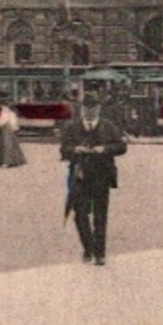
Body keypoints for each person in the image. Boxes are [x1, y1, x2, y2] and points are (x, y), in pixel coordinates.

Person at [59, 96, 128, 266]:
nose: (90, 112)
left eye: (94, 109)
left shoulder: (109, 126)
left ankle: (99, 253)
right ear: (82, 109)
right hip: (79, 175)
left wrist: (104, 149)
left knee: (100, 215)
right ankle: (88, 248)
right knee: (80, 215)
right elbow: (63, 149)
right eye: (87, 109)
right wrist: (75, 149)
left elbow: (121, 147)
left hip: (102, 175)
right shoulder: (72, 127)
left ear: (99, 109)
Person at [0, 103, 26, 168]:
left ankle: (7, 162)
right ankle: (13, 161)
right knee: (10, 144)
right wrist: (15, 128)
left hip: (6, 128)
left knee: (6, 145)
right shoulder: (11, 113)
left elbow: (2, 121)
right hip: (9, 129)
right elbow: (14, 122)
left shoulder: (5, 112)